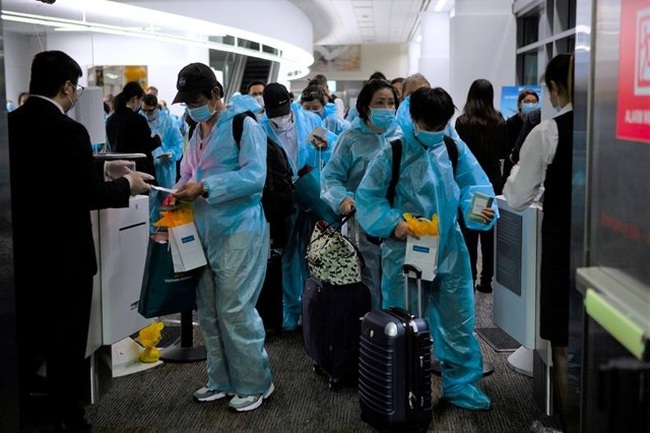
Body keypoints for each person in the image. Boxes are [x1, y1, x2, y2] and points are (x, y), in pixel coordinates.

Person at [9, 50, 153, 433]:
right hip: (66, 258)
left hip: (22, 254)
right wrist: (127, 184)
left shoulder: (11, 125)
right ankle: (68, 418)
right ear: (68, 87)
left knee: (27, 338)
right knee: (66, 344)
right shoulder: (70, 132)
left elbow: (51, 173)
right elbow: (84, 194)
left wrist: (104, 166)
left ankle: (24, 411)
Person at [356, 86, 498, 411]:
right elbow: (368, 198)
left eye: (440, 126)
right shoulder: (392, 153)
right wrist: (394, 222)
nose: (435, 133)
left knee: (458, 318)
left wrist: (479, 211)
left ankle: (461, 385)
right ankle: (402, 387)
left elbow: (474, 185)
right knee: (406, 322)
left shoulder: (452, 146)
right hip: (406, 249)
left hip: (449, 248)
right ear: (414, 118)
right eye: (429, 126)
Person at [170, 62, 274, 412]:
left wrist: (207, 187)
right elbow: (188, 171)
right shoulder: (194, 130)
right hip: (203, 230)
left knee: (235, 308)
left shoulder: (244, 126)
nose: (191, 108)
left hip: (239, 229)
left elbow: (254, 177)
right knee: (209, 311)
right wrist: (179, 189)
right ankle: (221, 379)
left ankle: (255, 382)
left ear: (216, 94)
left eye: (196, 100)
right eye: (186, 103)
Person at [503, 53, 574, 433]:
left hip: (564, 246)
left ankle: (565, 426)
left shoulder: (549, 132)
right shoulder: (619, 128)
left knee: (562, 344)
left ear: (554, 88)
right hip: (617, 248)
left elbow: (516, 196)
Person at [320, 78, 400, 310]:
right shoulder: (351, 138)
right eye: (380, 103)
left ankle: (399, 333)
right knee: (370, 280)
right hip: (362, 222)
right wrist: (343, 199)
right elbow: (331, 176)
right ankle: (375, 333)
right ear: (366, 107)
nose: (387, 108)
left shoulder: (401, 137)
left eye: (390, 103)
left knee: (399, 280)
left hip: (396, 220)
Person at [259, 82, 325, 330]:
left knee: (315, 252)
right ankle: (291, 309)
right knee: (288, 255)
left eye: (284, 111)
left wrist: (324, 147)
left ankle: (314, 309)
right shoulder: (259, 128)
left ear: (290, 102)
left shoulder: (309, 120)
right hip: (282, 198)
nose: (281, 118)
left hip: (310, 190)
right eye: (274, 114)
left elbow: (332, 148)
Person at [454, 78, 508, 293]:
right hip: (492, 182)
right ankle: (486, 281)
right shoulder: (500, 120)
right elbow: (504, 151)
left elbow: (458, 155)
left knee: (469, 232)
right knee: (488, 231)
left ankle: (470, 277)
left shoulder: (462, 122)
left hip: (469, 183)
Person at [106, 81, 161, 178]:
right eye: (140, 100)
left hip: (119, 169)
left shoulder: (110, 120)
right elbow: (146, 145)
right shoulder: (138, 120)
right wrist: (157, 139)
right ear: (135, 99)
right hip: (139, 169)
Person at [141, 93, 184, 189]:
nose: (146, 114)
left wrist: (171, 153)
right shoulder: (138, 120)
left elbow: (178, 143)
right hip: (145, 166)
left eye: (150, 111)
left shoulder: (168, 121)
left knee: (165, 198)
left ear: (156, 107)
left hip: (165, 167)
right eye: (144, 110)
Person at [503, 88, 539, 179]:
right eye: (527, 101)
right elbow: (506, 148)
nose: (531, 104)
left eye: (534, 102)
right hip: (512, 166)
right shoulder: (510, 123)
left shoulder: (538, 122)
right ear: (520, 104)